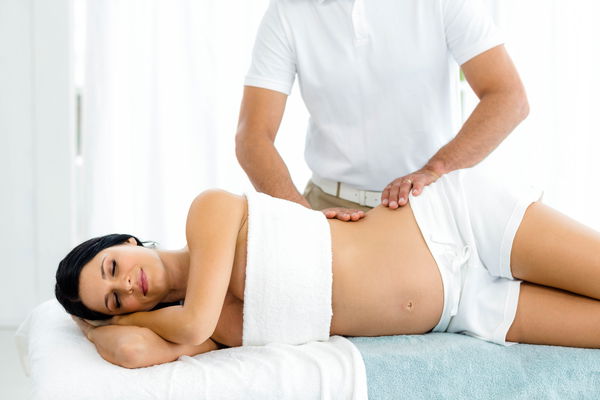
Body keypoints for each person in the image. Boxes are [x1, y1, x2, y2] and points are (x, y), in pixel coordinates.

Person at [56, 168, 600, 369]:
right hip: (464, 311)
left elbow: (192, 321)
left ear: (126, 241)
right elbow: (131, 353)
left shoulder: (209, 213)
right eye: (115, 300)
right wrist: (94, 325)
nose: (125, 285)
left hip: (458, 224)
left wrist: (119, 315)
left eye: (112, 266)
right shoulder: (210, 334)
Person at [236, 0, 529, 222]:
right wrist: (302, 216)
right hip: (325, 206)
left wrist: (435, 170)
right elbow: (252, 136)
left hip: (428, 202)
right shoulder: (286, 11)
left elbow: (508, 97)